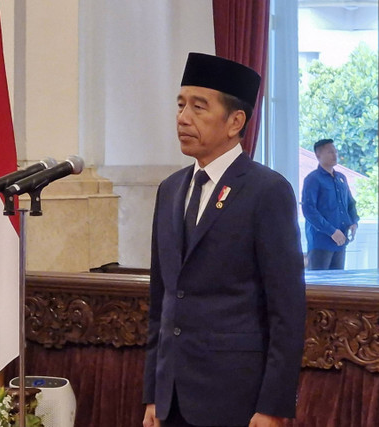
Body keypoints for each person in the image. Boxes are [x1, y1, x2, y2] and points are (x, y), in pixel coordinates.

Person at [142, 52, 306, 427]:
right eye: (181, 105)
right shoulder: (170, 190)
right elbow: (160, 300)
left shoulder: (266, 191)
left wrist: (273, 407)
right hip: (172, 400)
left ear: (235, 121)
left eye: (199, 107)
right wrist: (153, 393)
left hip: (237, 400)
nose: (183, 118)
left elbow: (287, 312)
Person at [301, 139, 359, 270]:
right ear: (318, 155)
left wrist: (353, 222)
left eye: (335, 151)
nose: (334, 155)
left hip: (341, 240)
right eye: (330, 152)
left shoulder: (341, 178)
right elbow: (309, 210)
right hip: (321, 241)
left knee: (337, 284)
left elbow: (350, 203)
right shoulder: (313, 179)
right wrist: (331, 231)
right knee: (319, 283)